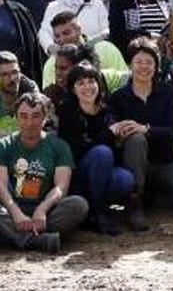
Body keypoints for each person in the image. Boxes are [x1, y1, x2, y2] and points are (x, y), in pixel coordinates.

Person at [0, 92, 89, 254]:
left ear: (45, 118)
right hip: (9, 209)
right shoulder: (3, 145)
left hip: (45, 210)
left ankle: (3, 236)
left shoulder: (59, 146)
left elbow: (61, 187)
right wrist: (16, 214)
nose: (29, 122)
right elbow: (0, 186)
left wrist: (42, 211)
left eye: (36, 116)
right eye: (23, 116)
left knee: (79, 205)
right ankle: (34, 240)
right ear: (16, 118)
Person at [106, 38, 173, 231]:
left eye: (149, 62)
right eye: (138, 62)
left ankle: (153, 196)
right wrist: (121, 129)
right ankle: (134, 206)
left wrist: (146, 129)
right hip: (131, 164)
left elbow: (172, 132)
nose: (144, 67)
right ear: (129, 65)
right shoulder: (117, 97)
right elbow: (111, 129)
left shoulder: (167, 93)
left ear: (156, 66)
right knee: (135, 138)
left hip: (163, 161)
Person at [57, 63, 137, 235]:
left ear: (98, 84)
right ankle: (97, 212)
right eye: (81, 83)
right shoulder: (67, 111)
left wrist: (122, 135)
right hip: (77, 174)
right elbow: (75, 149)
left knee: (125, 179)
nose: (87, 86)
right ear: (73, 89)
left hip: (102, 171)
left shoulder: (108, 110)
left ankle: (103, 207)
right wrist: (109, 134)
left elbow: (113, 149)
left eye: (91, 81)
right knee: (102, 152)